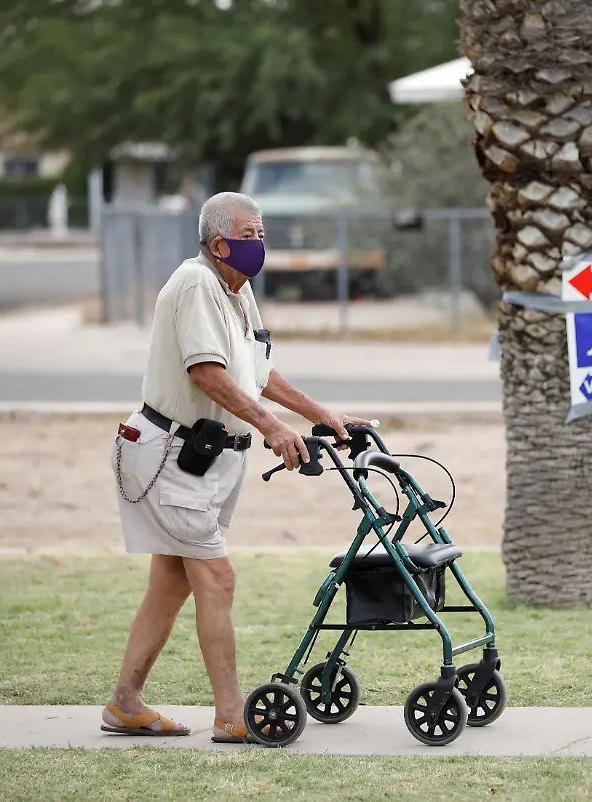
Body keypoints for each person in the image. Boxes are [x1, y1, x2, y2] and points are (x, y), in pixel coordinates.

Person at [101, 191, 370, 741]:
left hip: (208, 458)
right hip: (173, 453)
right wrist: (273, 426)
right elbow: (207, 372)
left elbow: (257, 373)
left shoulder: (237, 290)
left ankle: (125, 701)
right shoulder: (197, 282)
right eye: (250, 236)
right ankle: (230, 716)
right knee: (216, 578)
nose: (260, 245)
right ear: (218, 241)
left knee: (173, 580)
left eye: (262, 234)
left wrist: (318, 413)